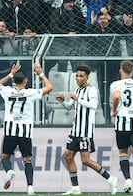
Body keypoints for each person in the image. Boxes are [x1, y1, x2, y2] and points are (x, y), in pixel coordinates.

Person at [55, 64, 118, 195]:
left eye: (81, 76)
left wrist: (78, 99)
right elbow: (69, 107)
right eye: (76, 76)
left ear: (87, 77)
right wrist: (62, 102)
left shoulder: (91, 90)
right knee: (68, 156)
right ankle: (75, 188)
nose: (78, 78)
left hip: (85, 131)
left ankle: (111, 179)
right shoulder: (77, 90)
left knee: (85, 160)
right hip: (75, 130)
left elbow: (94, 105)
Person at [0, 62, 53, 195]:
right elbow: (49, 87)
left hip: (10, 130)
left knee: (5, 156)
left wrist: (10, 74)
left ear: (14, 81)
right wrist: (41, 74)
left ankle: (9, 171)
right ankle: (30, 187)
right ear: (26, 81)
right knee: (27, 160)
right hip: (25, 131)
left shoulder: (7, 91)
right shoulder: (30, 93)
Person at [110, 60, 133, 195]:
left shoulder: (116, 84)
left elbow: (116, 96)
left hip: (122, 125)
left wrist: (114, 110)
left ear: (120, 71)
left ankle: (128, 181)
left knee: (123, 153)